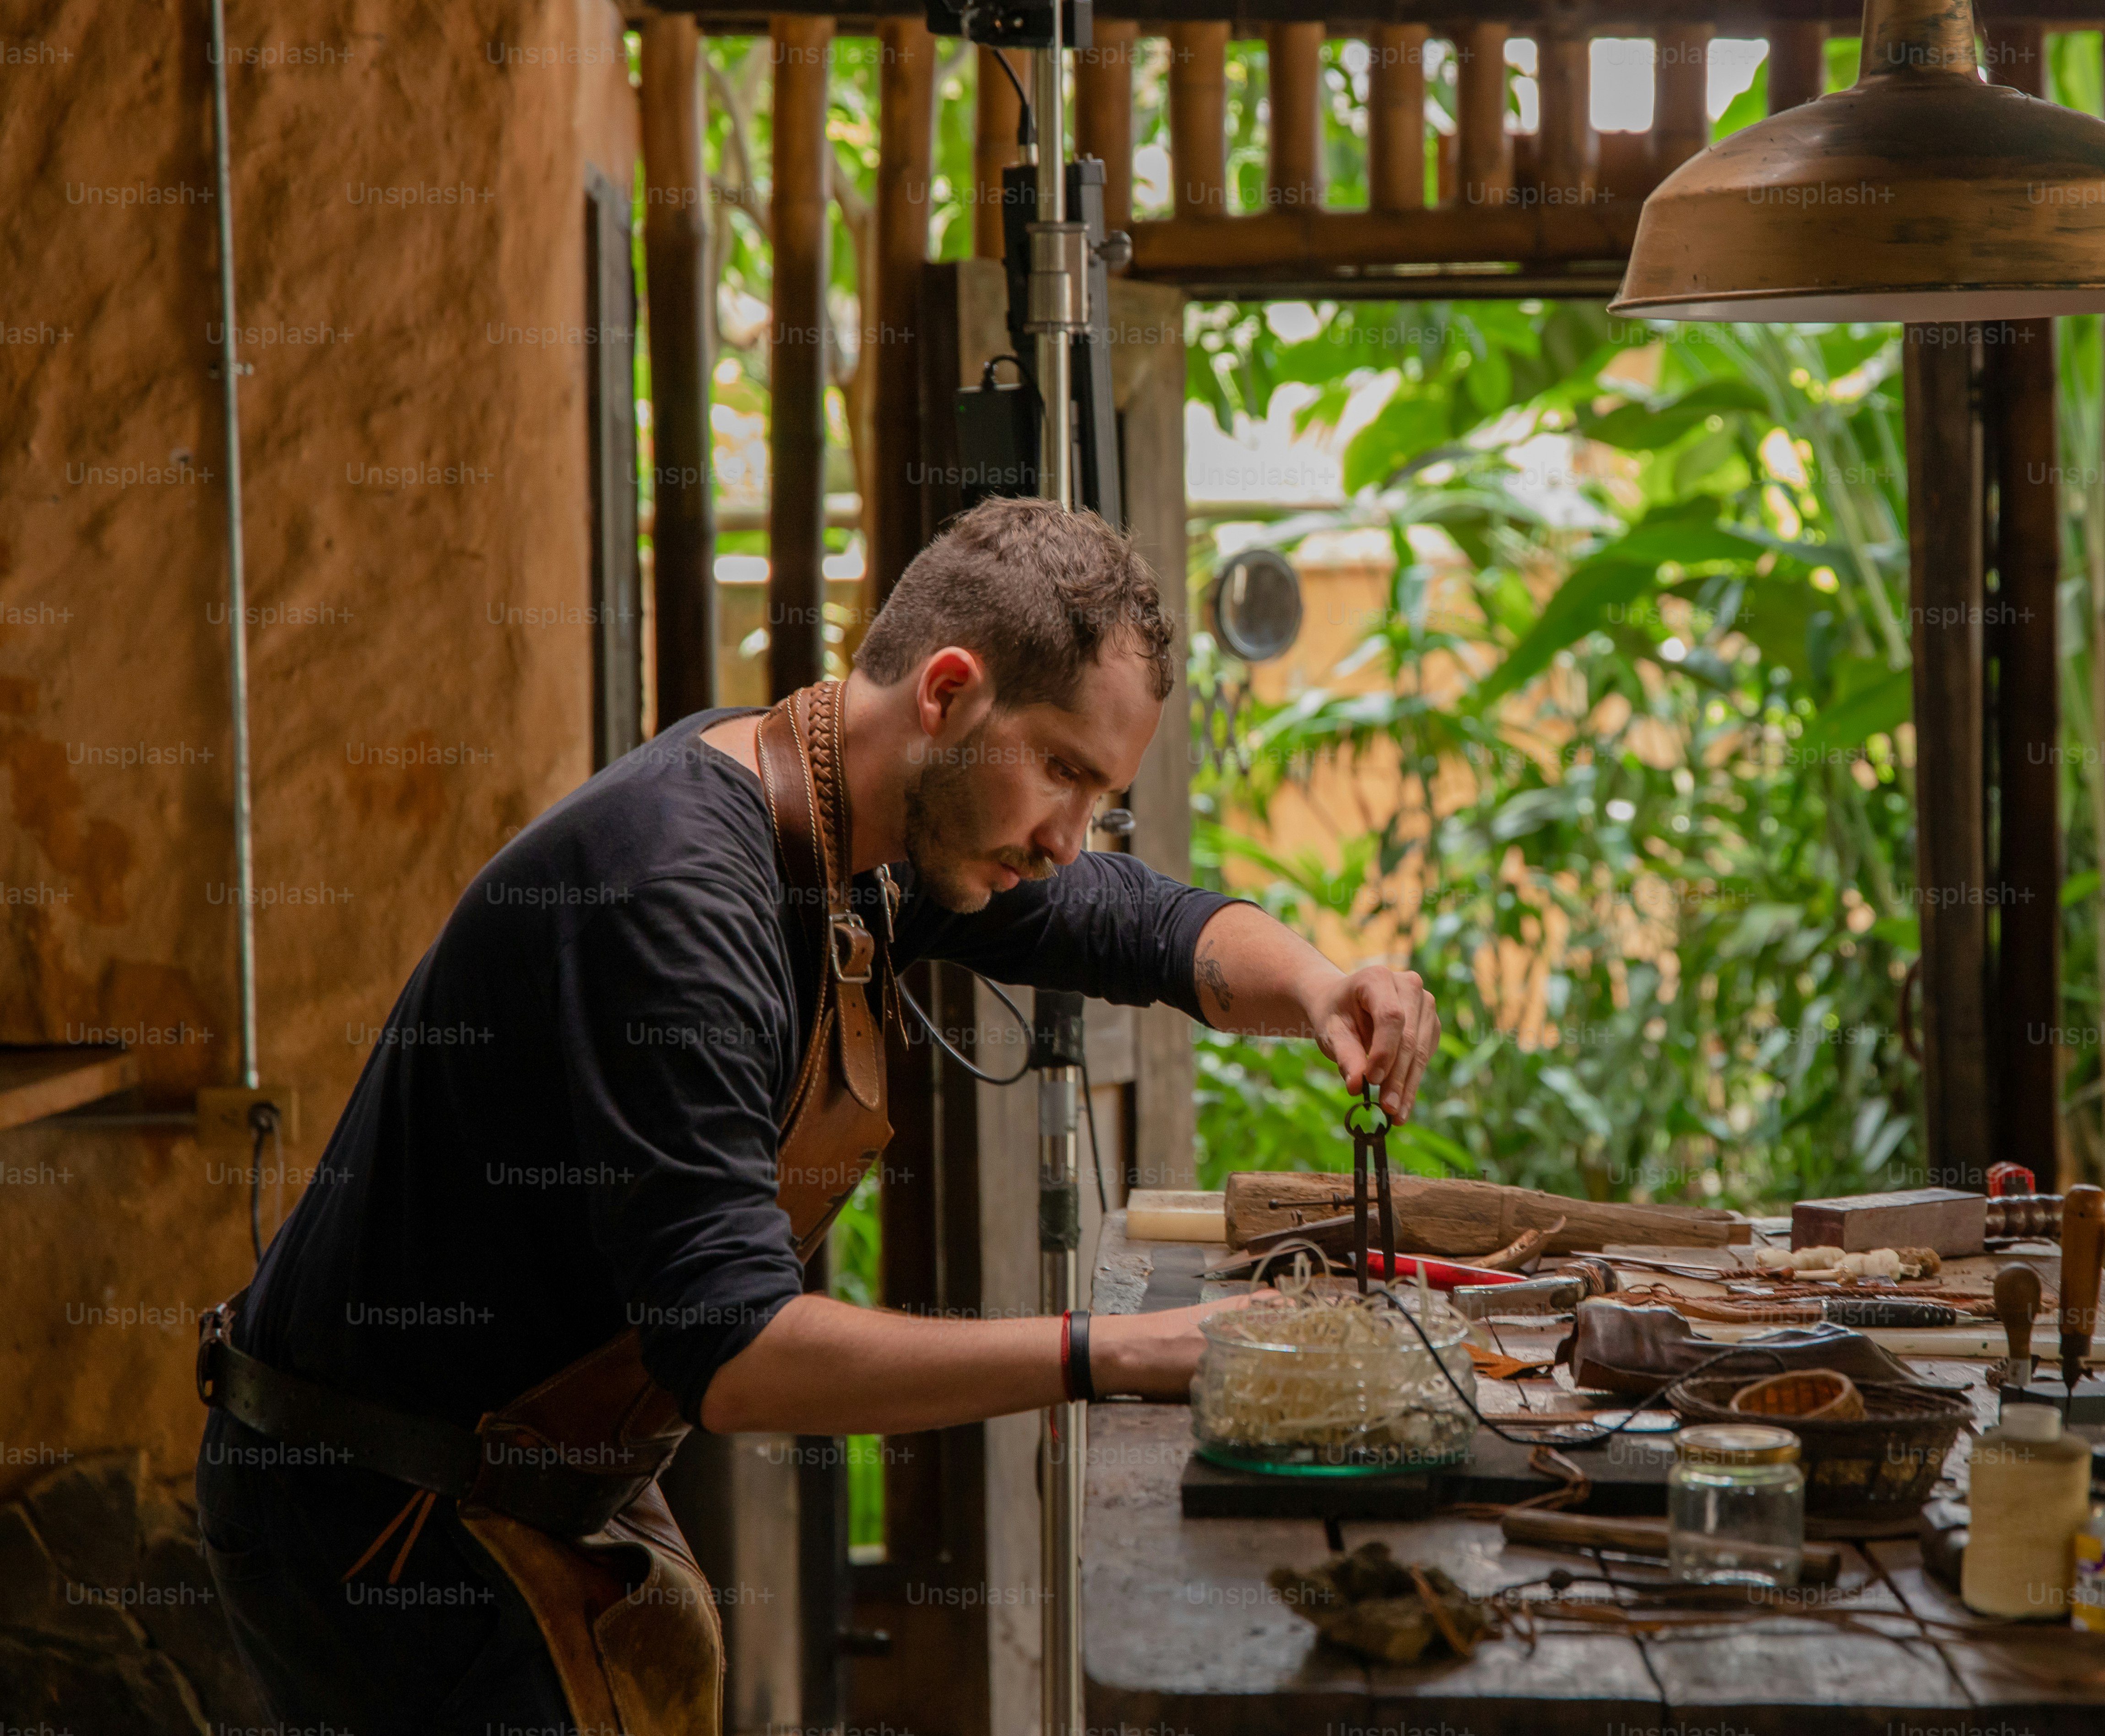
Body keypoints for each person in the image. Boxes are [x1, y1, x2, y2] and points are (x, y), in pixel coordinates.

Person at [195, 499, 1438, 1734]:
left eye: (1097, 791)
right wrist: (1112, 1350)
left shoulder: (870, 824)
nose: (1066, 836)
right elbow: (734, 1354)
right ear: (948, 690)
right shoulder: (680, 891)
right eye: (1062, 768)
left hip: (525, 1474)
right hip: (381, 1513)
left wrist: (1323, 986)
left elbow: (1130, 918)